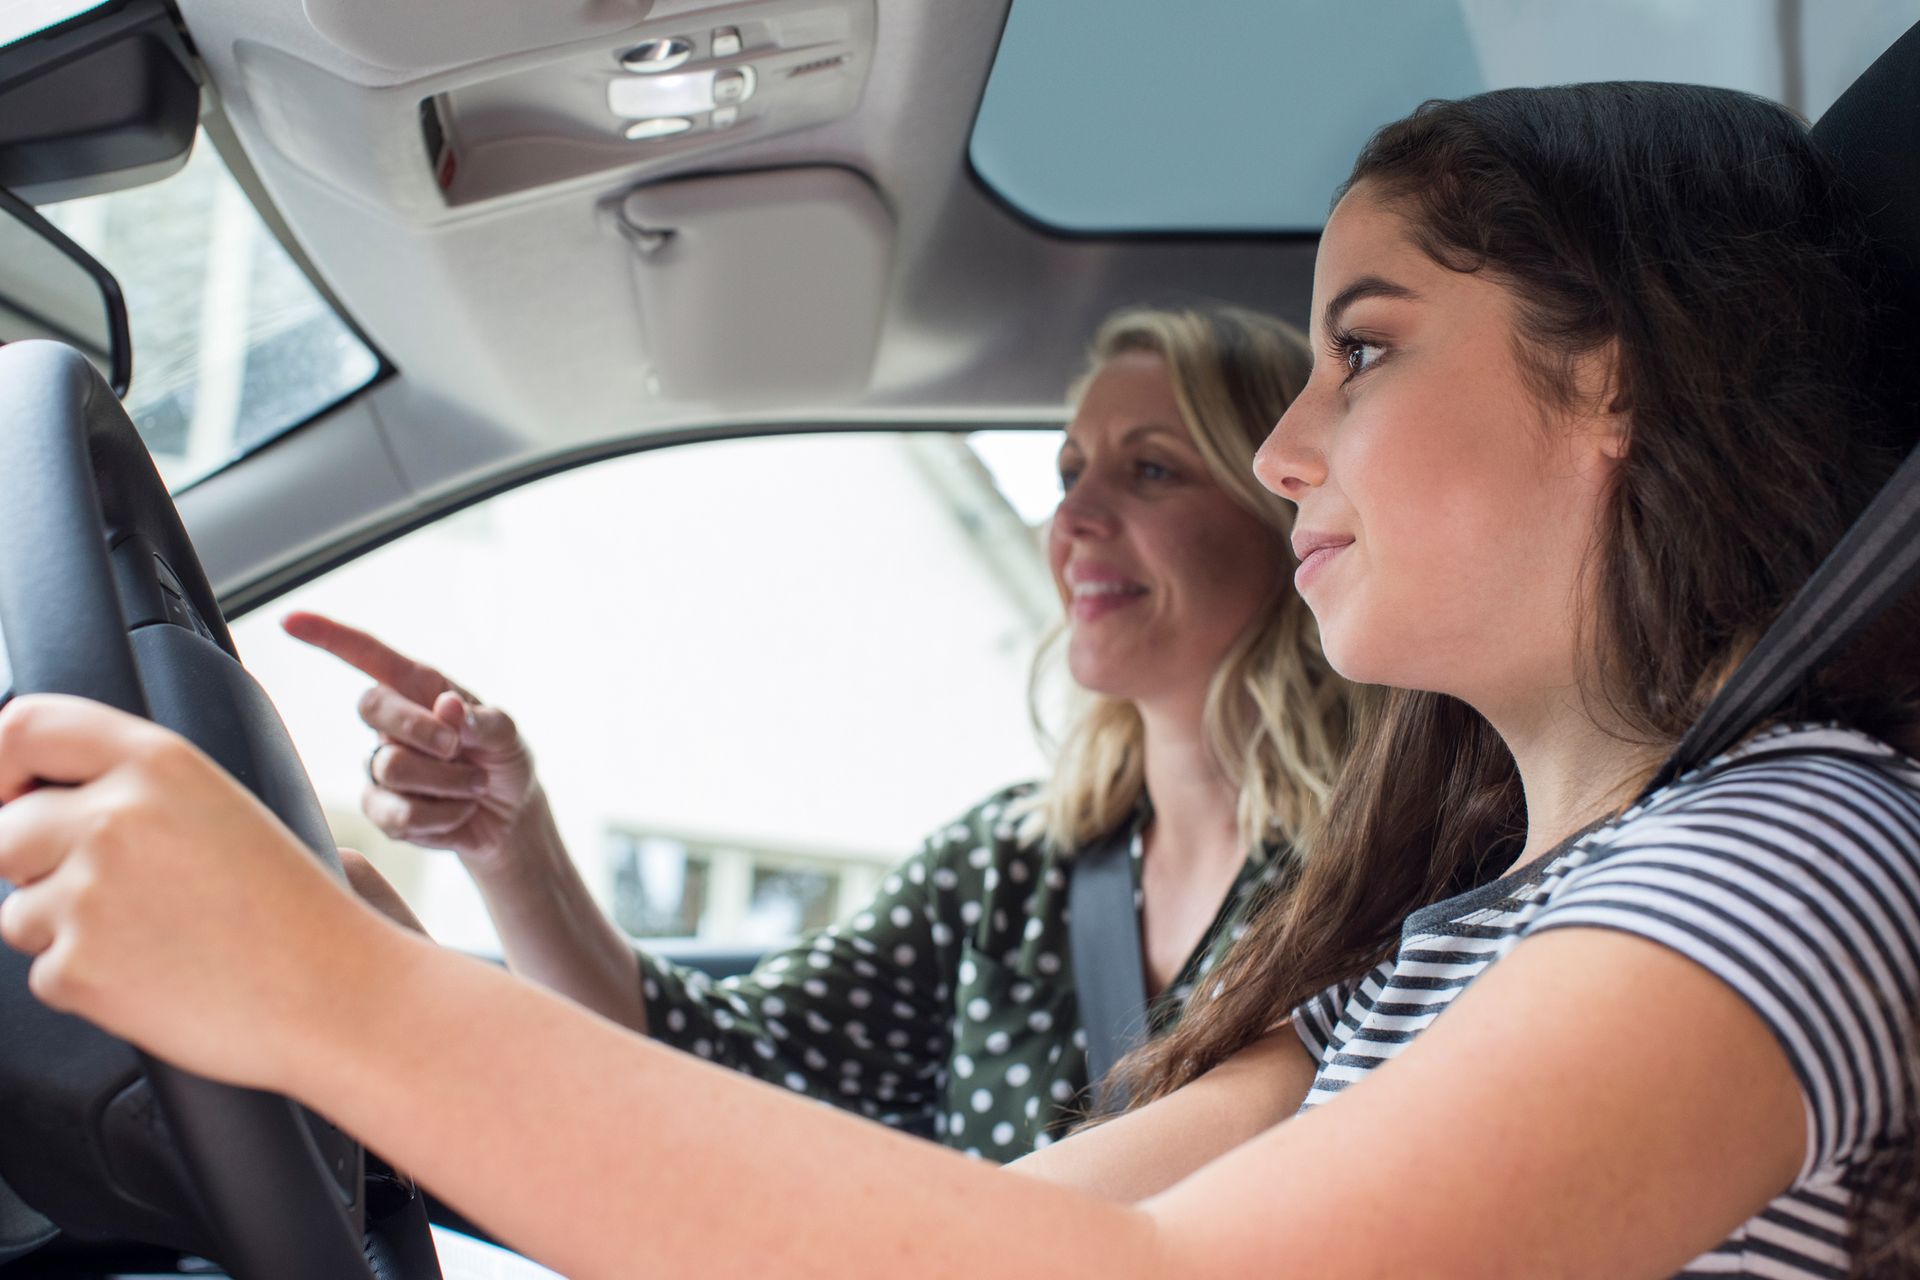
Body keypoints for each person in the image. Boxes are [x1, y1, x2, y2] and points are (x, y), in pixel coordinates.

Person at [2, 81, 1918, 1280]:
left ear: (1618, 390)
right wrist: (374, 985)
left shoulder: (1795, 859)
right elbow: (1057, 1219)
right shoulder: (1453, 933)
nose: (1288, 449)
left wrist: (346, 1006)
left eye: (1367, 351)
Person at [274, 302, 1354, 1159]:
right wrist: (513, 845)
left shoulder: (1376, 883)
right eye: (1069, 473)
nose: (1071, 519)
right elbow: (713, 1067)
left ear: (1285, 513)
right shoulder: (1011, 865)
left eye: (1151, 466)